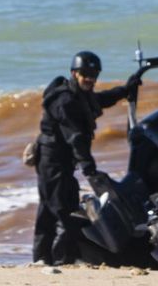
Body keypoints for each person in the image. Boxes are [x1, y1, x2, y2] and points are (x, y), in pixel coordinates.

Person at [31, 51, 140, 266]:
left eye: (94, 74)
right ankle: (61, 261)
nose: (90, 79)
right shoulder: (65, 100)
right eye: (85, 74)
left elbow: (99, 100)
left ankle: (42, 259)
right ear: (74, 73)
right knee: (64, 210)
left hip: (57, 162)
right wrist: (90, 169)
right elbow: (76, 138)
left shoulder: (80, 94)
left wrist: (124, 91)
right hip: (52, 162)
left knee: (49, 210)